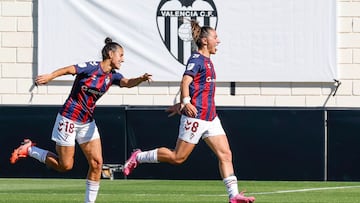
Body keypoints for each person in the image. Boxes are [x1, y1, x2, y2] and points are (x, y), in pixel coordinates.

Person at [122, 20, 255, 203]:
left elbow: (198, 89)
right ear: (205, 41)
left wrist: (182, 103)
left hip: (211, 117)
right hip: (196, 117)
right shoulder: (196, 59)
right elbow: (185, 81)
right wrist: (185, 102)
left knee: (225, 154)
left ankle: (234, 196)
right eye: (215, 37)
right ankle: (139, 156)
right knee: (178, 158)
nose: (219, 41)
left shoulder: (208, 61)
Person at [10, 37, 152, 203]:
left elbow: (127, 83)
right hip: (69, 119)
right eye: (121, 55)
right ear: (110, 54)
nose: (123, 59)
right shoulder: (92, 67)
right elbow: (70, 69)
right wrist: (50, 76)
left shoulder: (112, 76)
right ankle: (30, 150)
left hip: (87, 123)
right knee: (65, 166)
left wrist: (140, 79)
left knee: (97, 163)